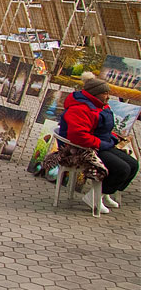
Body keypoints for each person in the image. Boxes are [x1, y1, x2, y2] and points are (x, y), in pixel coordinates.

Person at [58, 73, 137, 212]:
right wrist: (103, 143)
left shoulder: (101, 106)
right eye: (105, 93)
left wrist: (113, 137)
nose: (108, 96)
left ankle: (104, 193)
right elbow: (79, 136)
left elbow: (102, 129)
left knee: (133, 165)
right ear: (94, 94)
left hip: (97, 144)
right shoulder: (80, 108)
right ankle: (94, 196)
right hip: (79, 149)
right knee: (121, 168)